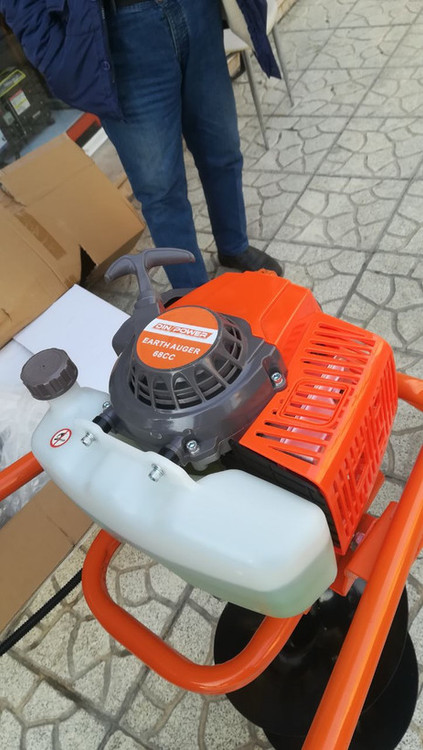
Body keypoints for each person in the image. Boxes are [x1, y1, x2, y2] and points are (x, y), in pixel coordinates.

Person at [0, 0, 283, 288]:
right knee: (161, 190)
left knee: (222, 149)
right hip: (120, 33)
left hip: (197, 12)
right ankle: (194, 295)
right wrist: (52, 53)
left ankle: (233, 245)